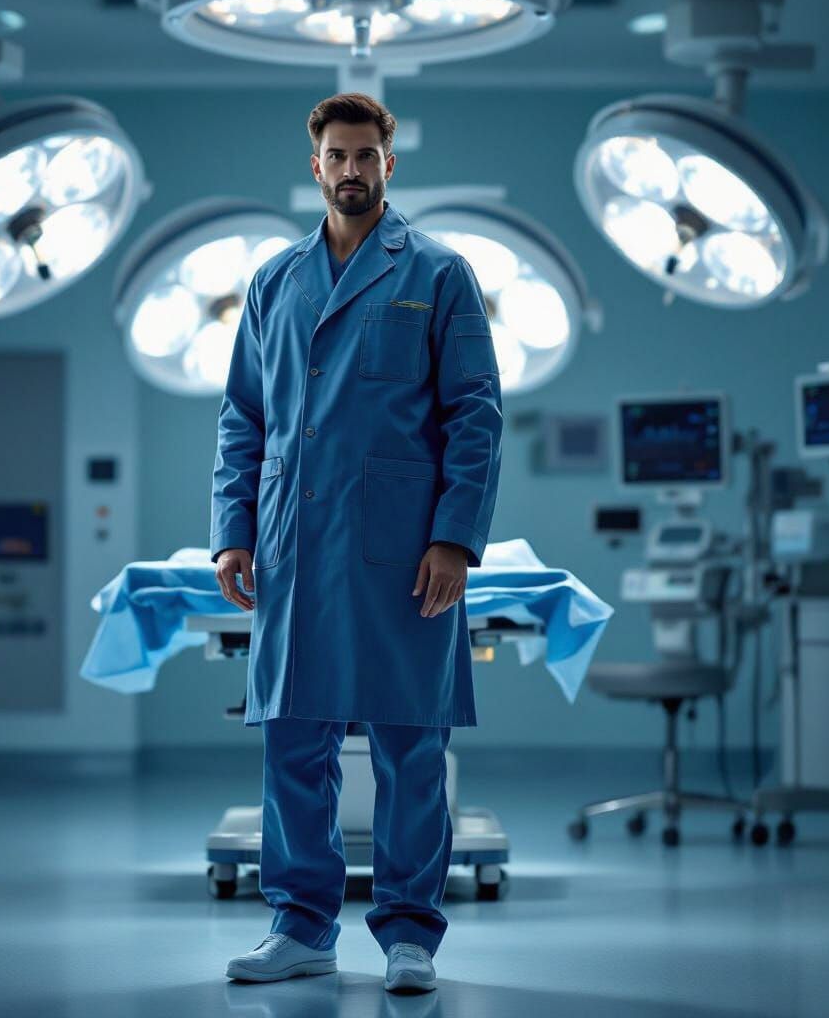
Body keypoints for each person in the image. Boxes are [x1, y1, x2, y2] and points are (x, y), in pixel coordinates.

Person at [210, 92, 503, 994]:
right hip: (294, 543)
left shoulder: (438, 274)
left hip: (402, 550)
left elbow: (476, 415)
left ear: (388, 164)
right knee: (293, 742)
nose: (350, 170)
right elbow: (243, 416)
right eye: (336, 156)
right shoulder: (275, 282)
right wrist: (232, 533)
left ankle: (410, 934)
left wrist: (454, 539)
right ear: (316, 167)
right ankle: (300, 927)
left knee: (409, 746)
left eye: (365, 156)